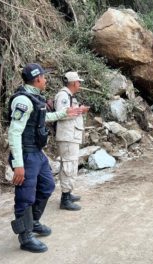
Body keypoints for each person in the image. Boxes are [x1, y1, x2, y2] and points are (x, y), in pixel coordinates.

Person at [8, 63, 81, 253]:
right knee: (25, 195)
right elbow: (14, 132)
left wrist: (64, 113)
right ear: (38, 78)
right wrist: (18, 164)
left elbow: (43, 118)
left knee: (47, 186)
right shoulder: (22, 101)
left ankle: (34, 222)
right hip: (26, 154)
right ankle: (25, 237)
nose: (46, 80)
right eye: (44, 77)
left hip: (37, 154)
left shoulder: (35, 99)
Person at [55, 71, 90, 211]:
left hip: (71, 136)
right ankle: (65, 198)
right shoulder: (63, 95)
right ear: (74, 83)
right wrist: (78, 110)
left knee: (71, 165)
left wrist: (79, 110)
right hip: (67, 137)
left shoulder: (69, 96)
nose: (80, 84)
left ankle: (68, 194)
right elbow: (61, 114)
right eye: (79, 82)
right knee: (68, 166)